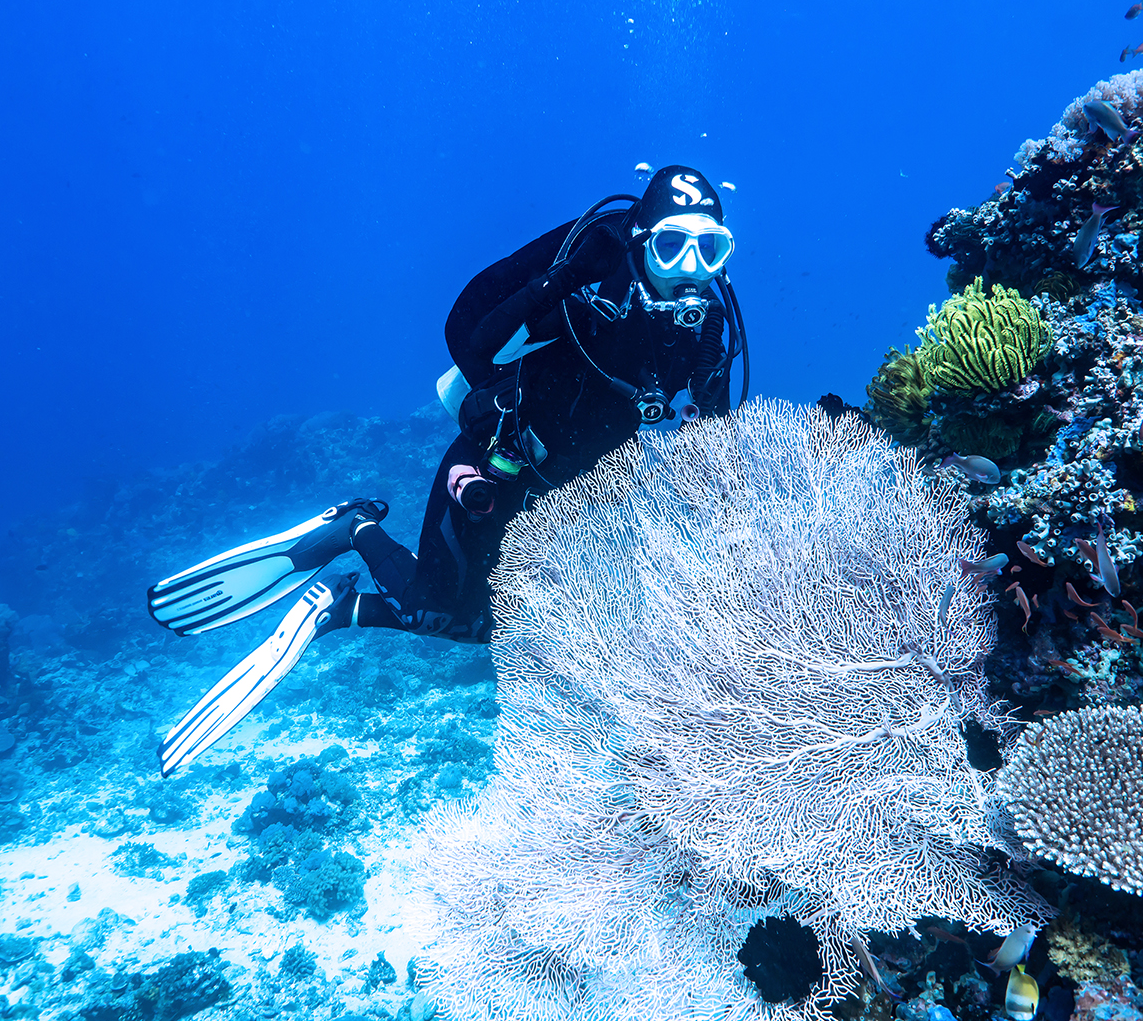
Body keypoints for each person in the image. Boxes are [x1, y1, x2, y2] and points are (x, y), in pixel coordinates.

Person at [147, 166, 748, 775]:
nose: (691, 268)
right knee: (431, 606)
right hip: (493, 465)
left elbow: (714, 441)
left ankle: (339, 608)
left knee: (489, 627)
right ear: (640, 241)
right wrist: (566, 276)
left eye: (710, 249)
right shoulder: (585, 295)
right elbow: (474, 341)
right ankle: (352, 529)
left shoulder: (704, 331)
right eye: (673, 246)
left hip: (564, 495)